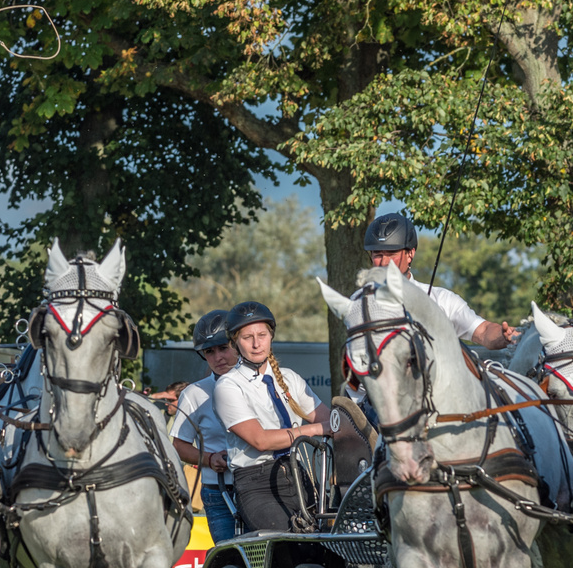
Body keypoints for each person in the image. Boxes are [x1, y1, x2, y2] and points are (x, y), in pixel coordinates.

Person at [212, 301, 333, 533]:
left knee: (327, 543)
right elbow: (261, 441)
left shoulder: (289, 378)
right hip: (257, 484)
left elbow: (329, 420)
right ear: (234, 343)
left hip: (297, 474)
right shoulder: (228, 385)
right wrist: (315, 430)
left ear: (271, 336)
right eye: (248, 337)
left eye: (262, 335)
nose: (257, 344)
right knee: (287, 545)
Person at [355, 211, 518, 349]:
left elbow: (483, 331)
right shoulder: (358, 302)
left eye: (391, 255)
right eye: (378, 255)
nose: (384, 263)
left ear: (410, 254)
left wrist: (504, 336)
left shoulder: (442, 300)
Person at [171, 311, 240, 543]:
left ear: (238, 344)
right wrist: (210, 459)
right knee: (230, 559)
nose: (218, 357)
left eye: (223, 347)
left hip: (261, 486)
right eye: (209, 352)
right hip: (217, 490)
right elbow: (179, 445)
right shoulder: (194, 393)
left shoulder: (261, 384)